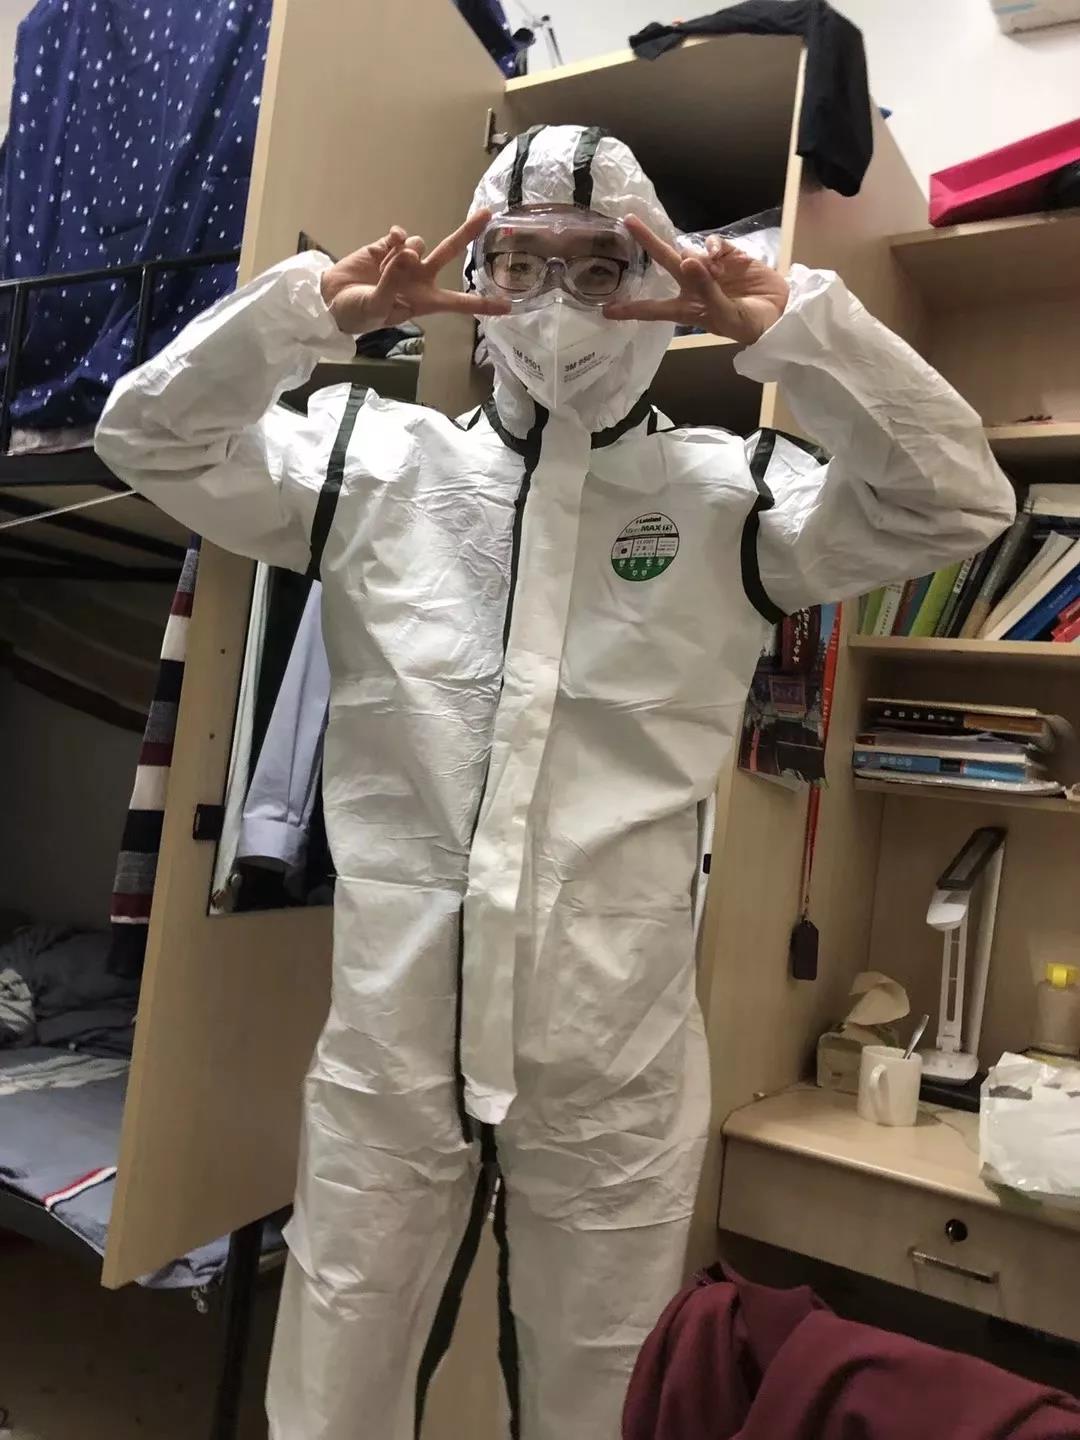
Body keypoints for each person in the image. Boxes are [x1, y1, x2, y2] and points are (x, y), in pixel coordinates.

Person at [95, 124, 1014, 1440]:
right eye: (523, 262)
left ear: (656, 273)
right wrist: (310, 315)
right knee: (340, 1367)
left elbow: (955, 504)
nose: (559, 305)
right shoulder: (377, 464)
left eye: (599, 266)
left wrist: (804, 331)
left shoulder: (735, 494)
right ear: (477, 267)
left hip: (614, 1051)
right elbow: (151, 438)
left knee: (606, 1381)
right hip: (395, 1038)